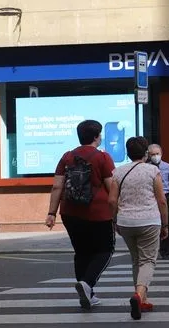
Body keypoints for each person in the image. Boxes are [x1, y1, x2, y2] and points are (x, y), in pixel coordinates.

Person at [45, 120, 116, 310]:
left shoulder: (67, 157)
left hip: (70, 213)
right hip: (98, 213)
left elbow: (57, 186)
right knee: (105, 250)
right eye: (99, 134)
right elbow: (111, 187)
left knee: (82, 252)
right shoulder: (103, 157)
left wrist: (51, 213)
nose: (100, 137)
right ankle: (87, 284)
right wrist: (118, 210)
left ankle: (88, 294)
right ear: (95, 137)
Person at [110, 136, 168, 320]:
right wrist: (165, 224)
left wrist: (114, 221)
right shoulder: (153, 171)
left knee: (136, 260)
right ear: (145, 153)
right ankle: (138, 295)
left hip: (126, 222)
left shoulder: (118, 172)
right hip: (149, 220)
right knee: (148, 261)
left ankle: (142, 299)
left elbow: (112, 200)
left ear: (127, 153)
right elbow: (161, 200)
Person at [148, 143, 169, 260]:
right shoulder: (146, 167)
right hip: (151, 197)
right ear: (148, 155)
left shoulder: (168, 167)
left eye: (157, 154)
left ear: (161, 154)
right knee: (151, 223)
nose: (155, 156)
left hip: (166, 196)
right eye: (152, 154)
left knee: (165, 223)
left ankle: (165, 251)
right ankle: (151, 250)